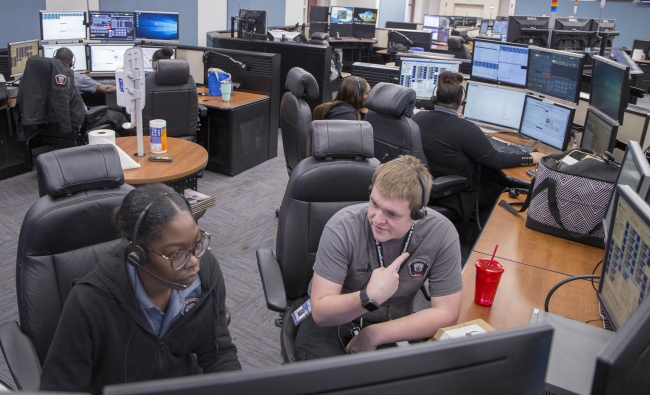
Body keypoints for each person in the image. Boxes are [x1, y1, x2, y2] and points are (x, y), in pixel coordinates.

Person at [40, 184, 241, 394]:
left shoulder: (206, 273)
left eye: (197, 243)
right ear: (138, 255)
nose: (194, 261)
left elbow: (219, 353)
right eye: (176, 254)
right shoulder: (90, 301)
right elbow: (60, 388)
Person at [294, 155, 462, 360]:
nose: (377, 219)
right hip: (334, 321)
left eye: (392, 214)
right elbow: (321, 312)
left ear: (418, 216)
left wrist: (375, 334)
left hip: (394, 324)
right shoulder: (342, 227)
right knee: (334, 382)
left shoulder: (441, 233)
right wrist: (369, 297)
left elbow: (447, 313)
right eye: (374, 203)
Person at [412, 71, 545, 222]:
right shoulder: (467, 130)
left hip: (423, 188)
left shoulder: (418, 118)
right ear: (461, 100)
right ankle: (474, 236)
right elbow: (497, 160)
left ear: (436, 96)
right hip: (453, 196)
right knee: (498, 189)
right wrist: (530, 157)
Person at [54, 47, 129, 132]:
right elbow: (106, 89)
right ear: (71, 62)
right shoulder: (76, 77)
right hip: (80, 122)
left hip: (57, 124)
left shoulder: (44, 77)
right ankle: (134, 141)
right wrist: (128, 89)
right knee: (119, 117)